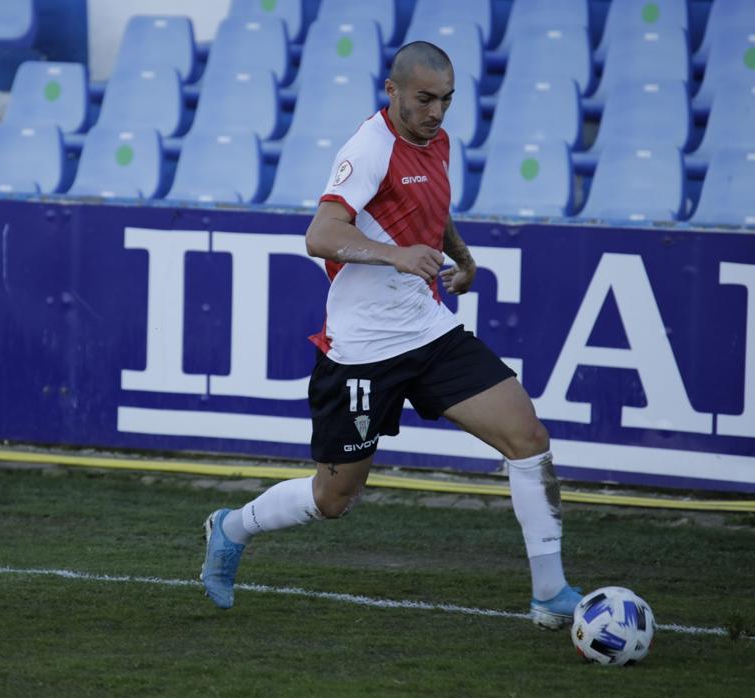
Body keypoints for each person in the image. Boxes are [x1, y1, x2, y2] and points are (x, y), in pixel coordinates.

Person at [200, 41, 581, 629]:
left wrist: (462, 256)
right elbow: (320, 235)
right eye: (425, 99)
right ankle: (230, 527)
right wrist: (394, 256)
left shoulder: (439, 141)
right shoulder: (369, 148)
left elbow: (431, 206)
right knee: (334, 500)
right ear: (393, 91)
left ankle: (550, 594)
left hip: (429, 332)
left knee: (527, 436)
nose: (436, 112)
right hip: (362, 352)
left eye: (446, 100)